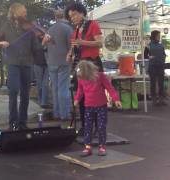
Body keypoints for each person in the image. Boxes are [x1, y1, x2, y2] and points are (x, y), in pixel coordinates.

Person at [0, 3, 40, 130]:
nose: (25, 13)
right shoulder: (6, 26)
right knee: (13, 91)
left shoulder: (29, 28)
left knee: (25, 94)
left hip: (27, 64)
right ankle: (12, 122)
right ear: (15, 12)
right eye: (23, 11)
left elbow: (36, 48)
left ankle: (23, 123)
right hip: (13, 64)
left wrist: (43, 42)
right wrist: (1, 42)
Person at [65, 2, 104, 135]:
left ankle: (98, 126)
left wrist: (83, 42)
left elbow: (100, 42)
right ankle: (85, 125)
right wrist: (69, 54)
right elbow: (74, 46)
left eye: (74, 14)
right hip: (80, 64)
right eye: (70, 16)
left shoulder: (92, 24)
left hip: (92, 63)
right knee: (81, 95)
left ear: (82, 12)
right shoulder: (75, 31)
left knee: (94, 96)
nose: (73, 18)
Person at [74, 61, 122, 156]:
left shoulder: (100, 76)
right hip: (88, 106)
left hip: (101, 106)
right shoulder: (81, 79)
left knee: (101, 126)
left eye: (83, 75)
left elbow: (109, 88)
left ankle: (102, 146)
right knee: (87, 127)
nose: (82, 78)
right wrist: (76, 99)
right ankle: (87, 146)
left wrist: (116, 99)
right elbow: (80, 90)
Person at [42, 8, 73, 121]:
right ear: (65, 17)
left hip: (52, 62)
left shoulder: (50, 30)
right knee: (63, 88)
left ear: (55, 17)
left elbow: (44, 47)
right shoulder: (68, 29)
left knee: (55, 89)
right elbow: (72, 46)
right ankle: (64, 115)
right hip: (64, 62)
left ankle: (57, 113)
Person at [144, 30, 167, 106]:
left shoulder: (161, 45)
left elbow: (164, 54)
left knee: (161, 84)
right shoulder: (148, 45)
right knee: (153, 84)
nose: (159, 37)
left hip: (161, 66)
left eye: (159, 36)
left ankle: (161, 99)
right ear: (154, 36)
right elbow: (145, 56)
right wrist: (150, 57)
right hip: (152, 67)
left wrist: (163, 57)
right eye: (158, 36)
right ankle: (154, 100)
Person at [33, 40, 49, 108]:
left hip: (47, 64)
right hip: (37, 64)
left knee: (45, 84)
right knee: (39, 83)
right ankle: (40, 100)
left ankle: (44, 102)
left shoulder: (48, 41)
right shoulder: (35, 40)